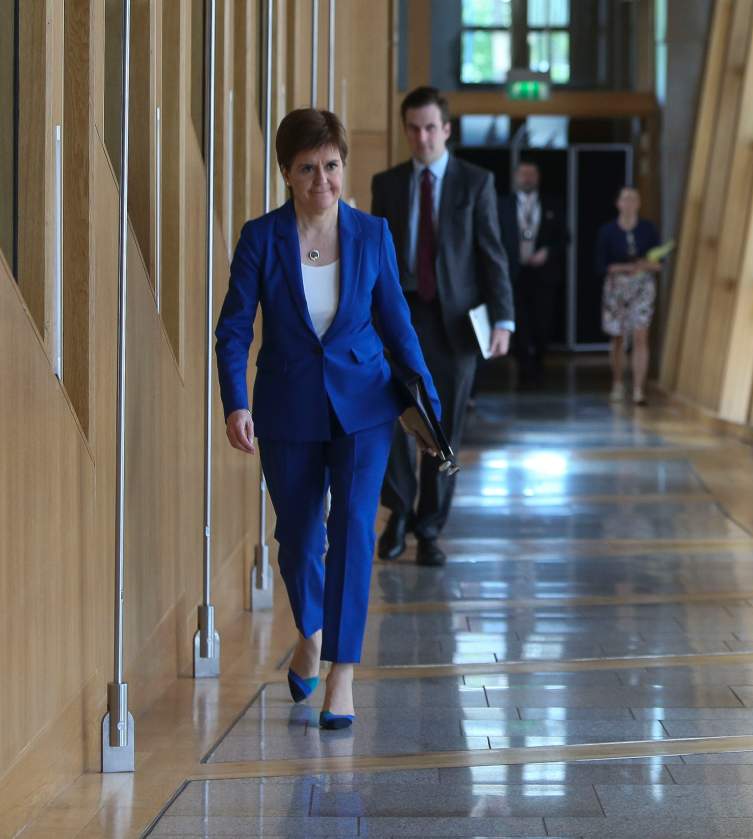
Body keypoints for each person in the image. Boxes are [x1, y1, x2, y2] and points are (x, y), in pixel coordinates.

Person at [214, 108, 440, 730]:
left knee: (355, 531)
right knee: (298, 538)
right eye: (308, 167)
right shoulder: (261, 238)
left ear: (345, 166)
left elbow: (398, 326)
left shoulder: (371, 235)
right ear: (286, 172)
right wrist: (235, 401)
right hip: (288, 410)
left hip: (365, 406)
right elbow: (233, 331)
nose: (323, 179)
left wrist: (430, 409)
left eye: (333, 166)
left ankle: (341, 674)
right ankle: (309, 632)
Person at [370, 86, 514, 566]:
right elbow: (375, 260)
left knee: (445, 426)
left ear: (447, 130)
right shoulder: (387, 184)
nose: (422, 137)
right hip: (399, 319)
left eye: (431, 127)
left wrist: (503, 318)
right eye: (413, 128)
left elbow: (492, 254)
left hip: (456, 324)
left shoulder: (475, 183)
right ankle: (399, 516)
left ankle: (430, 529)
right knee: (390, 419)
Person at [498, 160, 571, 386]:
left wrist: (547, 252)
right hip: (514, 274)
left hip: (543, 274)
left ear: (538, 178)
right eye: (523, 174)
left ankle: (538, 360)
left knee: (543, 321)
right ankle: (523, 363)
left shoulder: (553, 204)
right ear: (516, 177)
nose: (527, 178)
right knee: (517, 321)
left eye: (531, 174)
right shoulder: (503, 205)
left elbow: (565, 238)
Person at [595, 186, 661, 405]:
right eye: (626, 199)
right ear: (618, 203)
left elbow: (659, 262)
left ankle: (638, 389)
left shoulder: (648, 229)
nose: (630, 203)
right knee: (618, 336)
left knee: (641, 335)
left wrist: (644, 265)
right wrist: (624, 267)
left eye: (634, 199)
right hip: (617, 287)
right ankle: (617, 382)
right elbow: (601, 264)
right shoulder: (608, 231)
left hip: (642, 286)